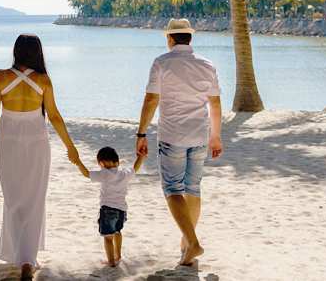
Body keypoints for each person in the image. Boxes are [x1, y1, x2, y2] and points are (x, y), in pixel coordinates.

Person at [0, 34, 83, 280]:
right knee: (34, 198)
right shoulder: (44, 80)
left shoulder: (0, 77)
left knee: (13, 199)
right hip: (37, 142)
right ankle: (27, 260)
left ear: (16, 51)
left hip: (8, 143)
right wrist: (70, 147)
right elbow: (54, 116)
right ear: (37, 53)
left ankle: (20, 256)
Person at [134, 18, 224, 267]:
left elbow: (151, 100)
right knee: (193, 188)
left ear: (170, 38)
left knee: (172, 189)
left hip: (172, 136)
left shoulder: (161, 63)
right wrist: (215, 136)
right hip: (199, 135)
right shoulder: (207, 65)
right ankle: (187, 243)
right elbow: (215, 104)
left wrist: (141, 133)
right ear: (190, 38)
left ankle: (192, 242)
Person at [76, 145, 145, 267]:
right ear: (118, 162)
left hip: (108, 210)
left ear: (101, 163)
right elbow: (135, 168)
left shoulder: (104, 174)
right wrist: (141, 157)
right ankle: (118, 256)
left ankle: (111, 261)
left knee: (108, 237)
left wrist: (78, 162)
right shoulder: (124, 173)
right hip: (122, 210)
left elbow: (86, 174)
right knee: (118, 232)